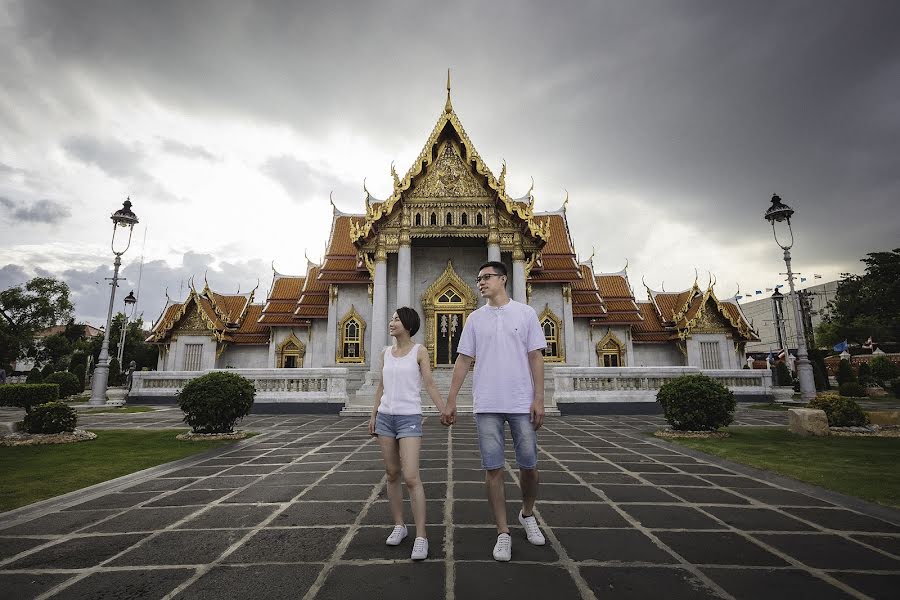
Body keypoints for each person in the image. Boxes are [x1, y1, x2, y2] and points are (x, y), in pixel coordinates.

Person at [441, 261, 547, 562]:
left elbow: (536, 358)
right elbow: (463, 361)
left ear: (503, 279)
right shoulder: (475, 319)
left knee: (529, 466)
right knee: (493, 468)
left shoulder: (525, 314)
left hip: (520, 401)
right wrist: (450, 400)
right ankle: (503, 532)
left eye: (487, 277)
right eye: (478, 279)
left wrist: (539, 398)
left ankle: (527, 513)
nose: (481, 282)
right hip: (486, 403)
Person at [369, 306, 445, 561]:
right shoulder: (385, 353)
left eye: (397, 319)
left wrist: (444, 409)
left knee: (411, 476)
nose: (392, 322)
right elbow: (381, 385)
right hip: (386, 417)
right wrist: (373, 415)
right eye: (391, 318)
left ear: (409, 324)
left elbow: (430, 383)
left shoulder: (419, 351)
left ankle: (421, 536)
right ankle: (400, 526)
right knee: (392, 474)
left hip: (409, 417)